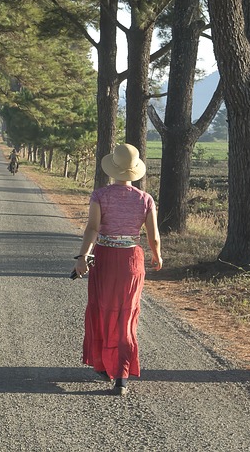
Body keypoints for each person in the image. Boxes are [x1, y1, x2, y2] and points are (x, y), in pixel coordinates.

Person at [73, 142, 162, 396]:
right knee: (126, 315)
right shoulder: (145, 199)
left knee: (101, 310)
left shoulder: (100, 195)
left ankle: (102, 365)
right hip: (131, 262)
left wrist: (82, 257)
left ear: (113, 168)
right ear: (134, 171)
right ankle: (121, 375)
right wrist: (157, 256)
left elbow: (92, 228)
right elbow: (153, 237)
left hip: (105, 259)